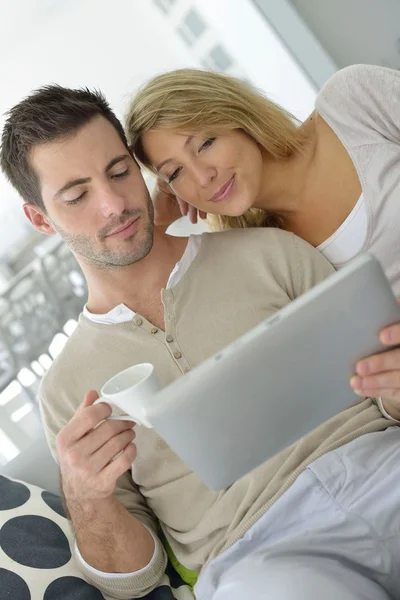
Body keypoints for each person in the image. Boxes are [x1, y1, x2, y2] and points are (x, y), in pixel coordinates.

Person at [2, 84, 400, 600]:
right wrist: (87, 498)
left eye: (120, 172)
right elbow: (135, 579)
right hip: (262, 556)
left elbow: (386, 395)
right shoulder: (66, 390)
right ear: (41, 220)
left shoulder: (271, 252)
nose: (113, 204)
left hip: (382, 465)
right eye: (77, 195)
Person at [126, 65, 400, 334]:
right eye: (175, 172)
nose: (202, 177)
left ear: (238, 118)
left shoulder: (350, 104)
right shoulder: (262, 255)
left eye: (206, 143)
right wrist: (158, 221)